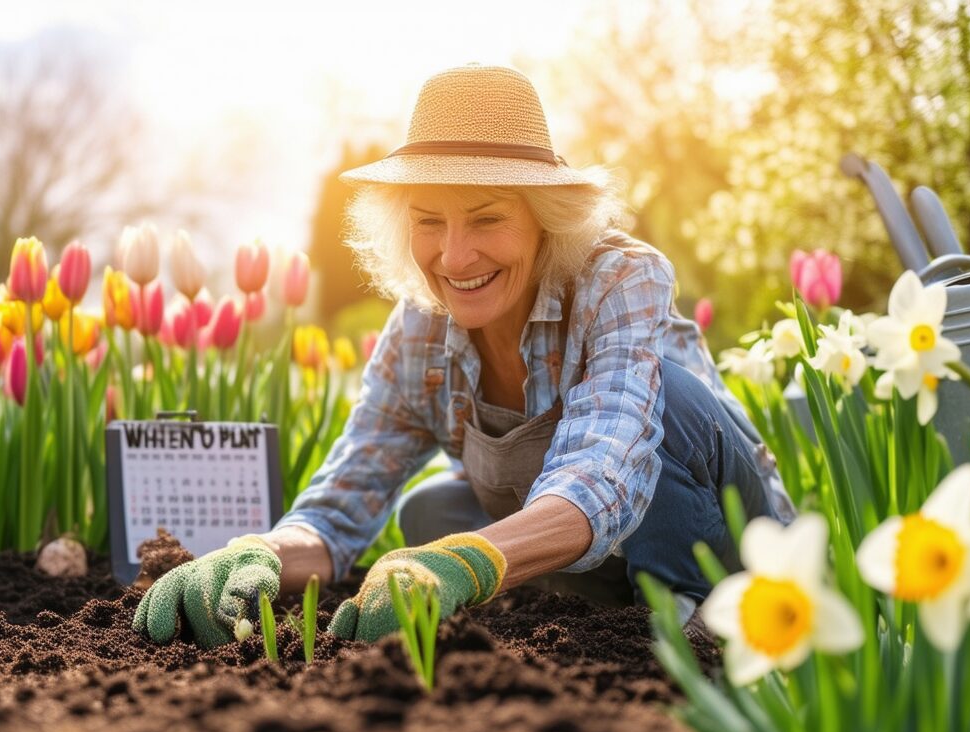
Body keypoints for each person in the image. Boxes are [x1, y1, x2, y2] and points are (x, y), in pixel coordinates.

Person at [132, 63, 794, 649]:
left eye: (485, 218)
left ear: (545, 217)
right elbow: (342, 504)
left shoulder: (619, 281)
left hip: (735, 543)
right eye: (428, 221)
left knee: (668, 398)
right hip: (596, 561)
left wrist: (466, 565)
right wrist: (259, 554)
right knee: (427, 513)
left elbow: (603, 471)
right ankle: (603, 620)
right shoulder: (418, 330)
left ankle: (698, 627)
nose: (453, 256)